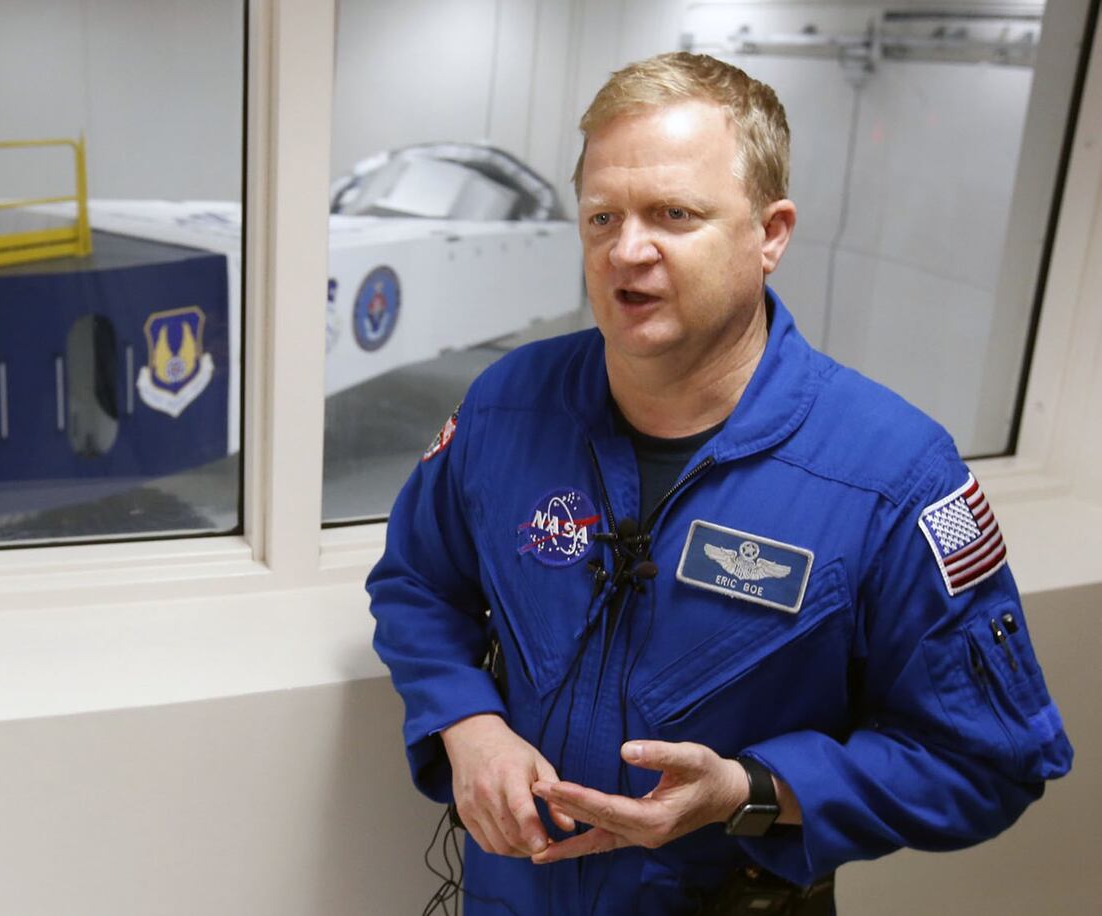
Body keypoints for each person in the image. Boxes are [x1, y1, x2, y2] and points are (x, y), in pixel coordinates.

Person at [366, 51, 1072, 915]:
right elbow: (416, 587)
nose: (629, 251)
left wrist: (751, 791)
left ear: (769, 234)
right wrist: (467, 725)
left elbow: (990, 760)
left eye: (674, 214)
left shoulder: (893, 477)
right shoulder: (507, 407)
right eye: (601, 218)